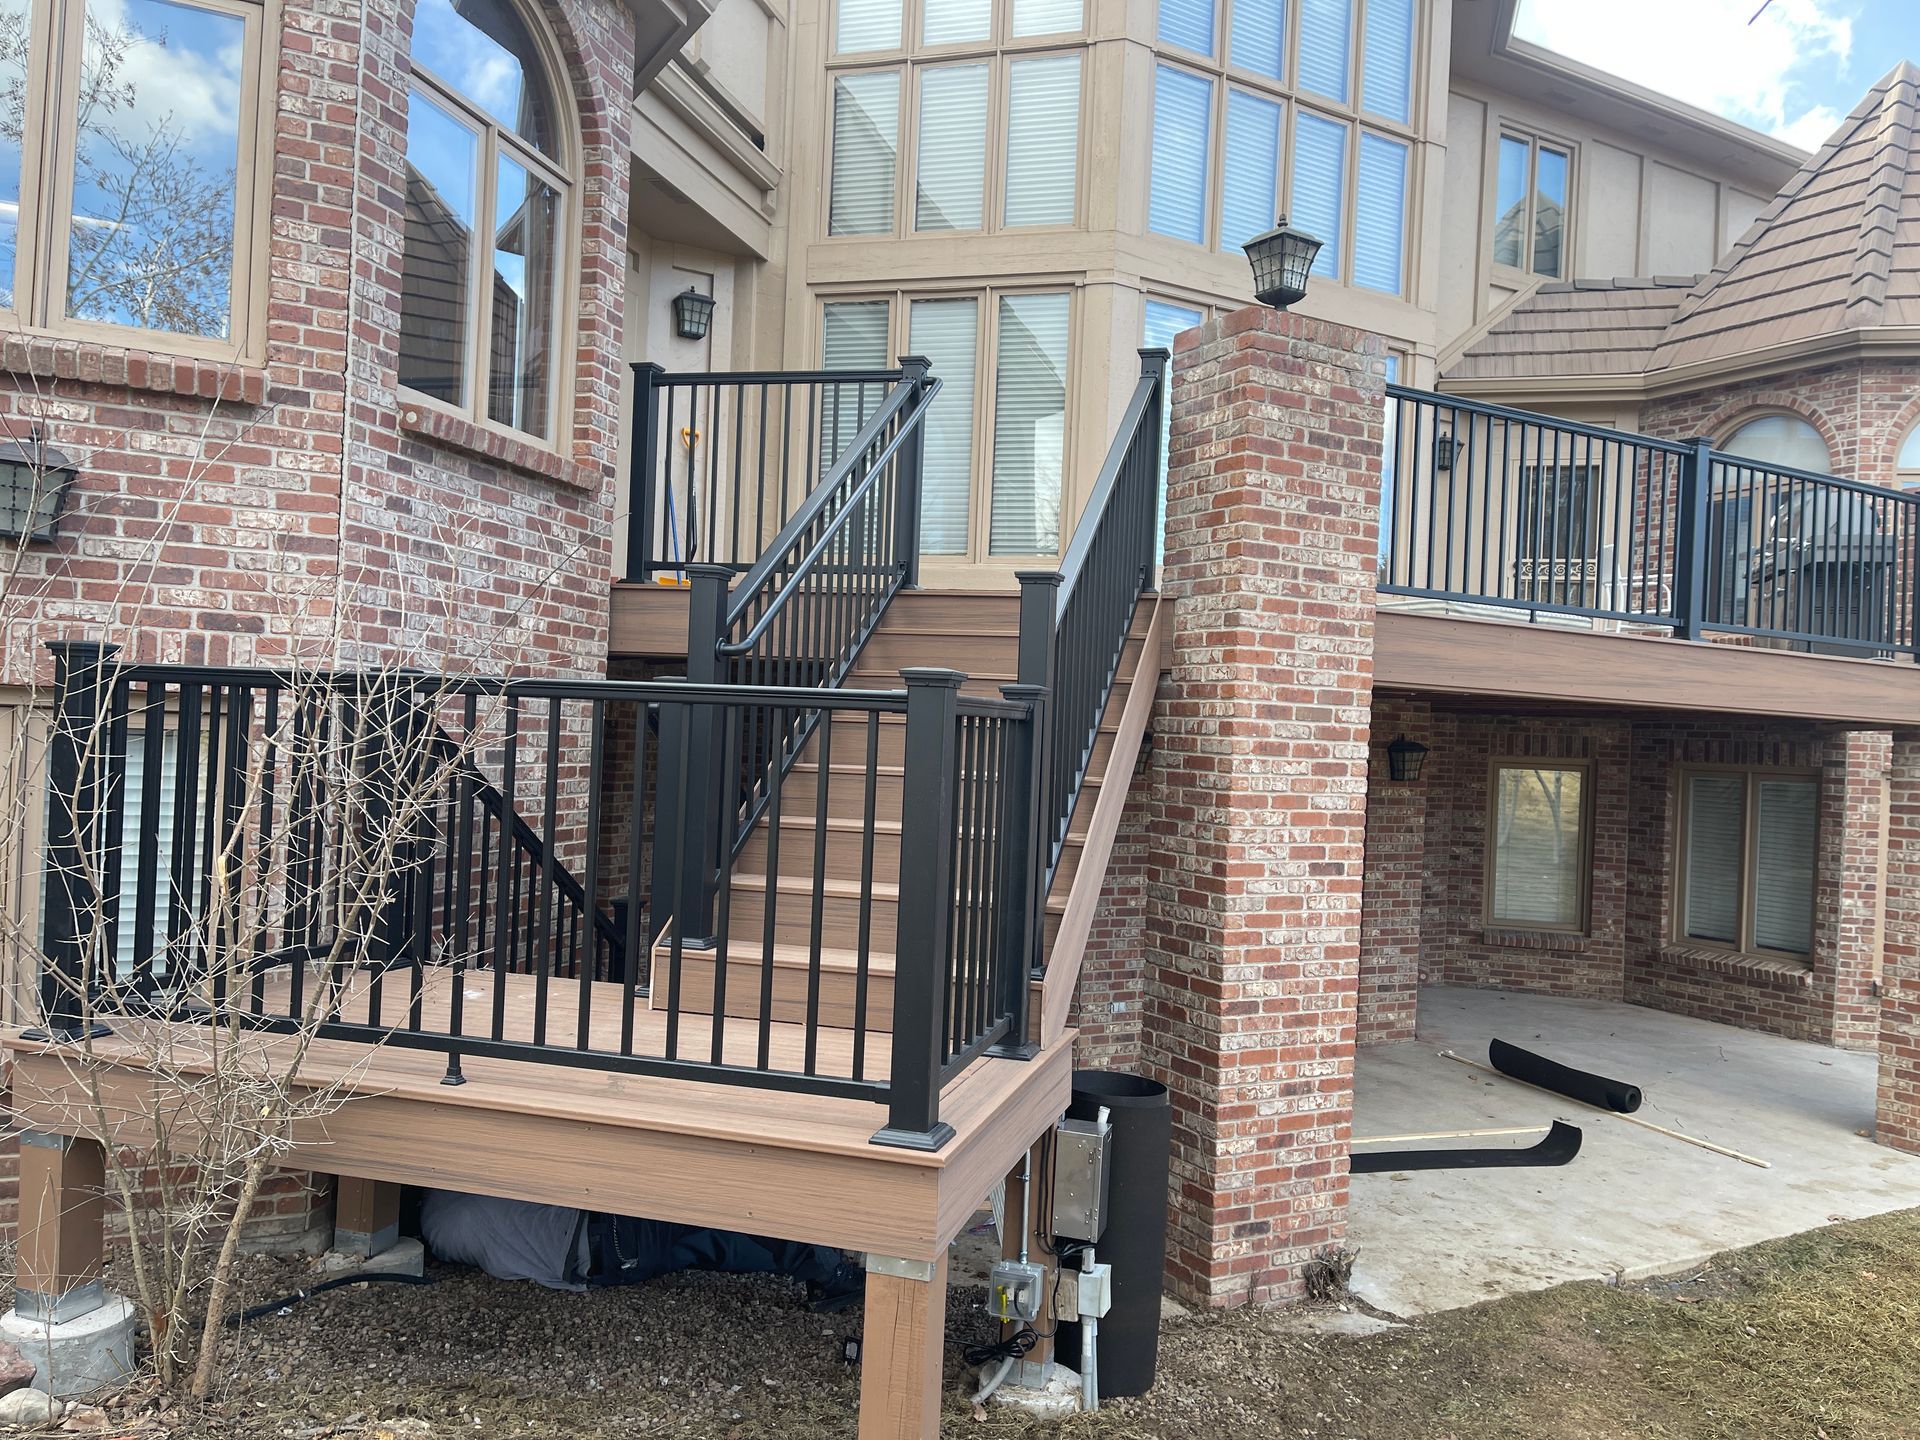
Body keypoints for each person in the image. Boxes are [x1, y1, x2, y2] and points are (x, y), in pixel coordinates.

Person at [418, 1189, 864, 1311]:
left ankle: (817, 1264)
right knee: (717, 1220)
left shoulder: (441, 1233)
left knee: (710, 1246)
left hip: (601, 1266)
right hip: (600, 1226)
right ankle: (827, 1265)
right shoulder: (465, 1190)